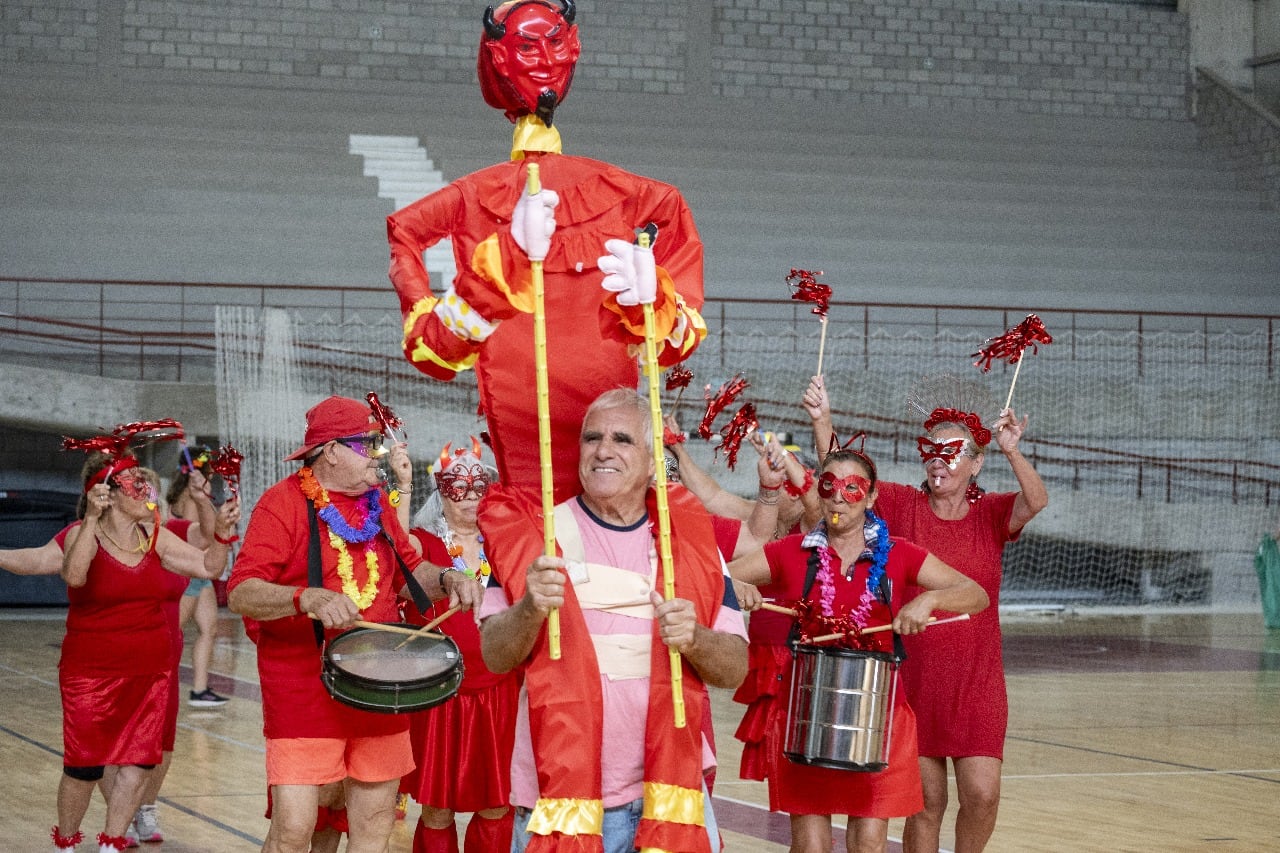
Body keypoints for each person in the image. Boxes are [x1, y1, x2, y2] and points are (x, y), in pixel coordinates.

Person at [387, 0, 707, 504]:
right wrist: (486, 282)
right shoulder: (475, 195)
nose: (541, 58)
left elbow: (673, 340)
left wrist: (654, 303)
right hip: (527, 478)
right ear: (498, 56)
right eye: (525, 45)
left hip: (620, 473)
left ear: (573, 48)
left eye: (553, 42)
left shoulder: (632, 193)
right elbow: (425, 328)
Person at [477, 388, 749, 852]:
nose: (603, 450)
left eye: (622, 439)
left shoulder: (694, 542)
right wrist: (530, 608)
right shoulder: (535, 535)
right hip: (556, 792)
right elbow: (495, 656)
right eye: (592, 438)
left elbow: (734, 667)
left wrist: (697, 640)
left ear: (651, 460)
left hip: (669, 794)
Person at [226, 394, 482, 853]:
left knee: (375, 824)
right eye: (369, 444)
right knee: (294, 830)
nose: (379, 456)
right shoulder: (281, 504)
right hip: (303, 689)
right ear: (331, 451)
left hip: (381, 684)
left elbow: (408, 576)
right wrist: (306, 597)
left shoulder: (377, 504)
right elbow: (241, 590)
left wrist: (447, 578)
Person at [805, 374, 1049, 853]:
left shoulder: (993, 514)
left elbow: (1036, 501)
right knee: (927, 802)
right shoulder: (900, 503)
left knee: (982, 794)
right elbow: (843, 473)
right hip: (912, 679)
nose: (939, 461)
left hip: (977, 681)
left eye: (953, 452)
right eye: (932, 450)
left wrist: (1013, 450)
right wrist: (822, 419)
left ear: (976, 464)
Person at [727, 447, 990, 853]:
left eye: (853, 488)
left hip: (880, 716)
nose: (838, 497)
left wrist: (928, 601)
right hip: (807, 712)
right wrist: (736, 585)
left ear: (870, 498)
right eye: (829, 486)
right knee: (811, 846)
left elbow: (974, 594)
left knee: (869, 843)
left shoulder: (899, 553)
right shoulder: (790, 552)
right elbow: (714, 578)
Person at [51, 451, 239, 853]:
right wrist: (89, 519)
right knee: (83, 768)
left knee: (138, 766)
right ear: (109, 492)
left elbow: (208, 567)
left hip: (151, 671)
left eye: (146, 483)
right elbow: (74, 574)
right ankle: (66, 844)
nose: (147, 491)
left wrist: (222, 535)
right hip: (89, 673)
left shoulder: (156, 533)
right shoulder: (84, 534)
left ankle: (111, 843)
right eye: (136, 484)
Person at [389, 438, 521, 853]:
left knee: (498, 805)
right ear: (441, 492)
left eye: (478, 487)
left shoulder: (505, 545)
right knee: (437, 810)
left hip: (500, 690)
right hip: (440, 693)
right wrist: (404, 486)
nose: (468, 498)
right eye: (456, 487)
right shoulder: (423, 543)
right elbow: (395, 553)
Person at [169, 447, 233, 709]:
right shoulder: (191, 496)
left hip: (200, 574)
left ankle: (199, 688)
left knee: (210, 629)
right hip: (189, 572)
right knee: (173, 634)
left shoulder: (191, 491)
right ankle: (159, 686)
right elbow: (194, 536)